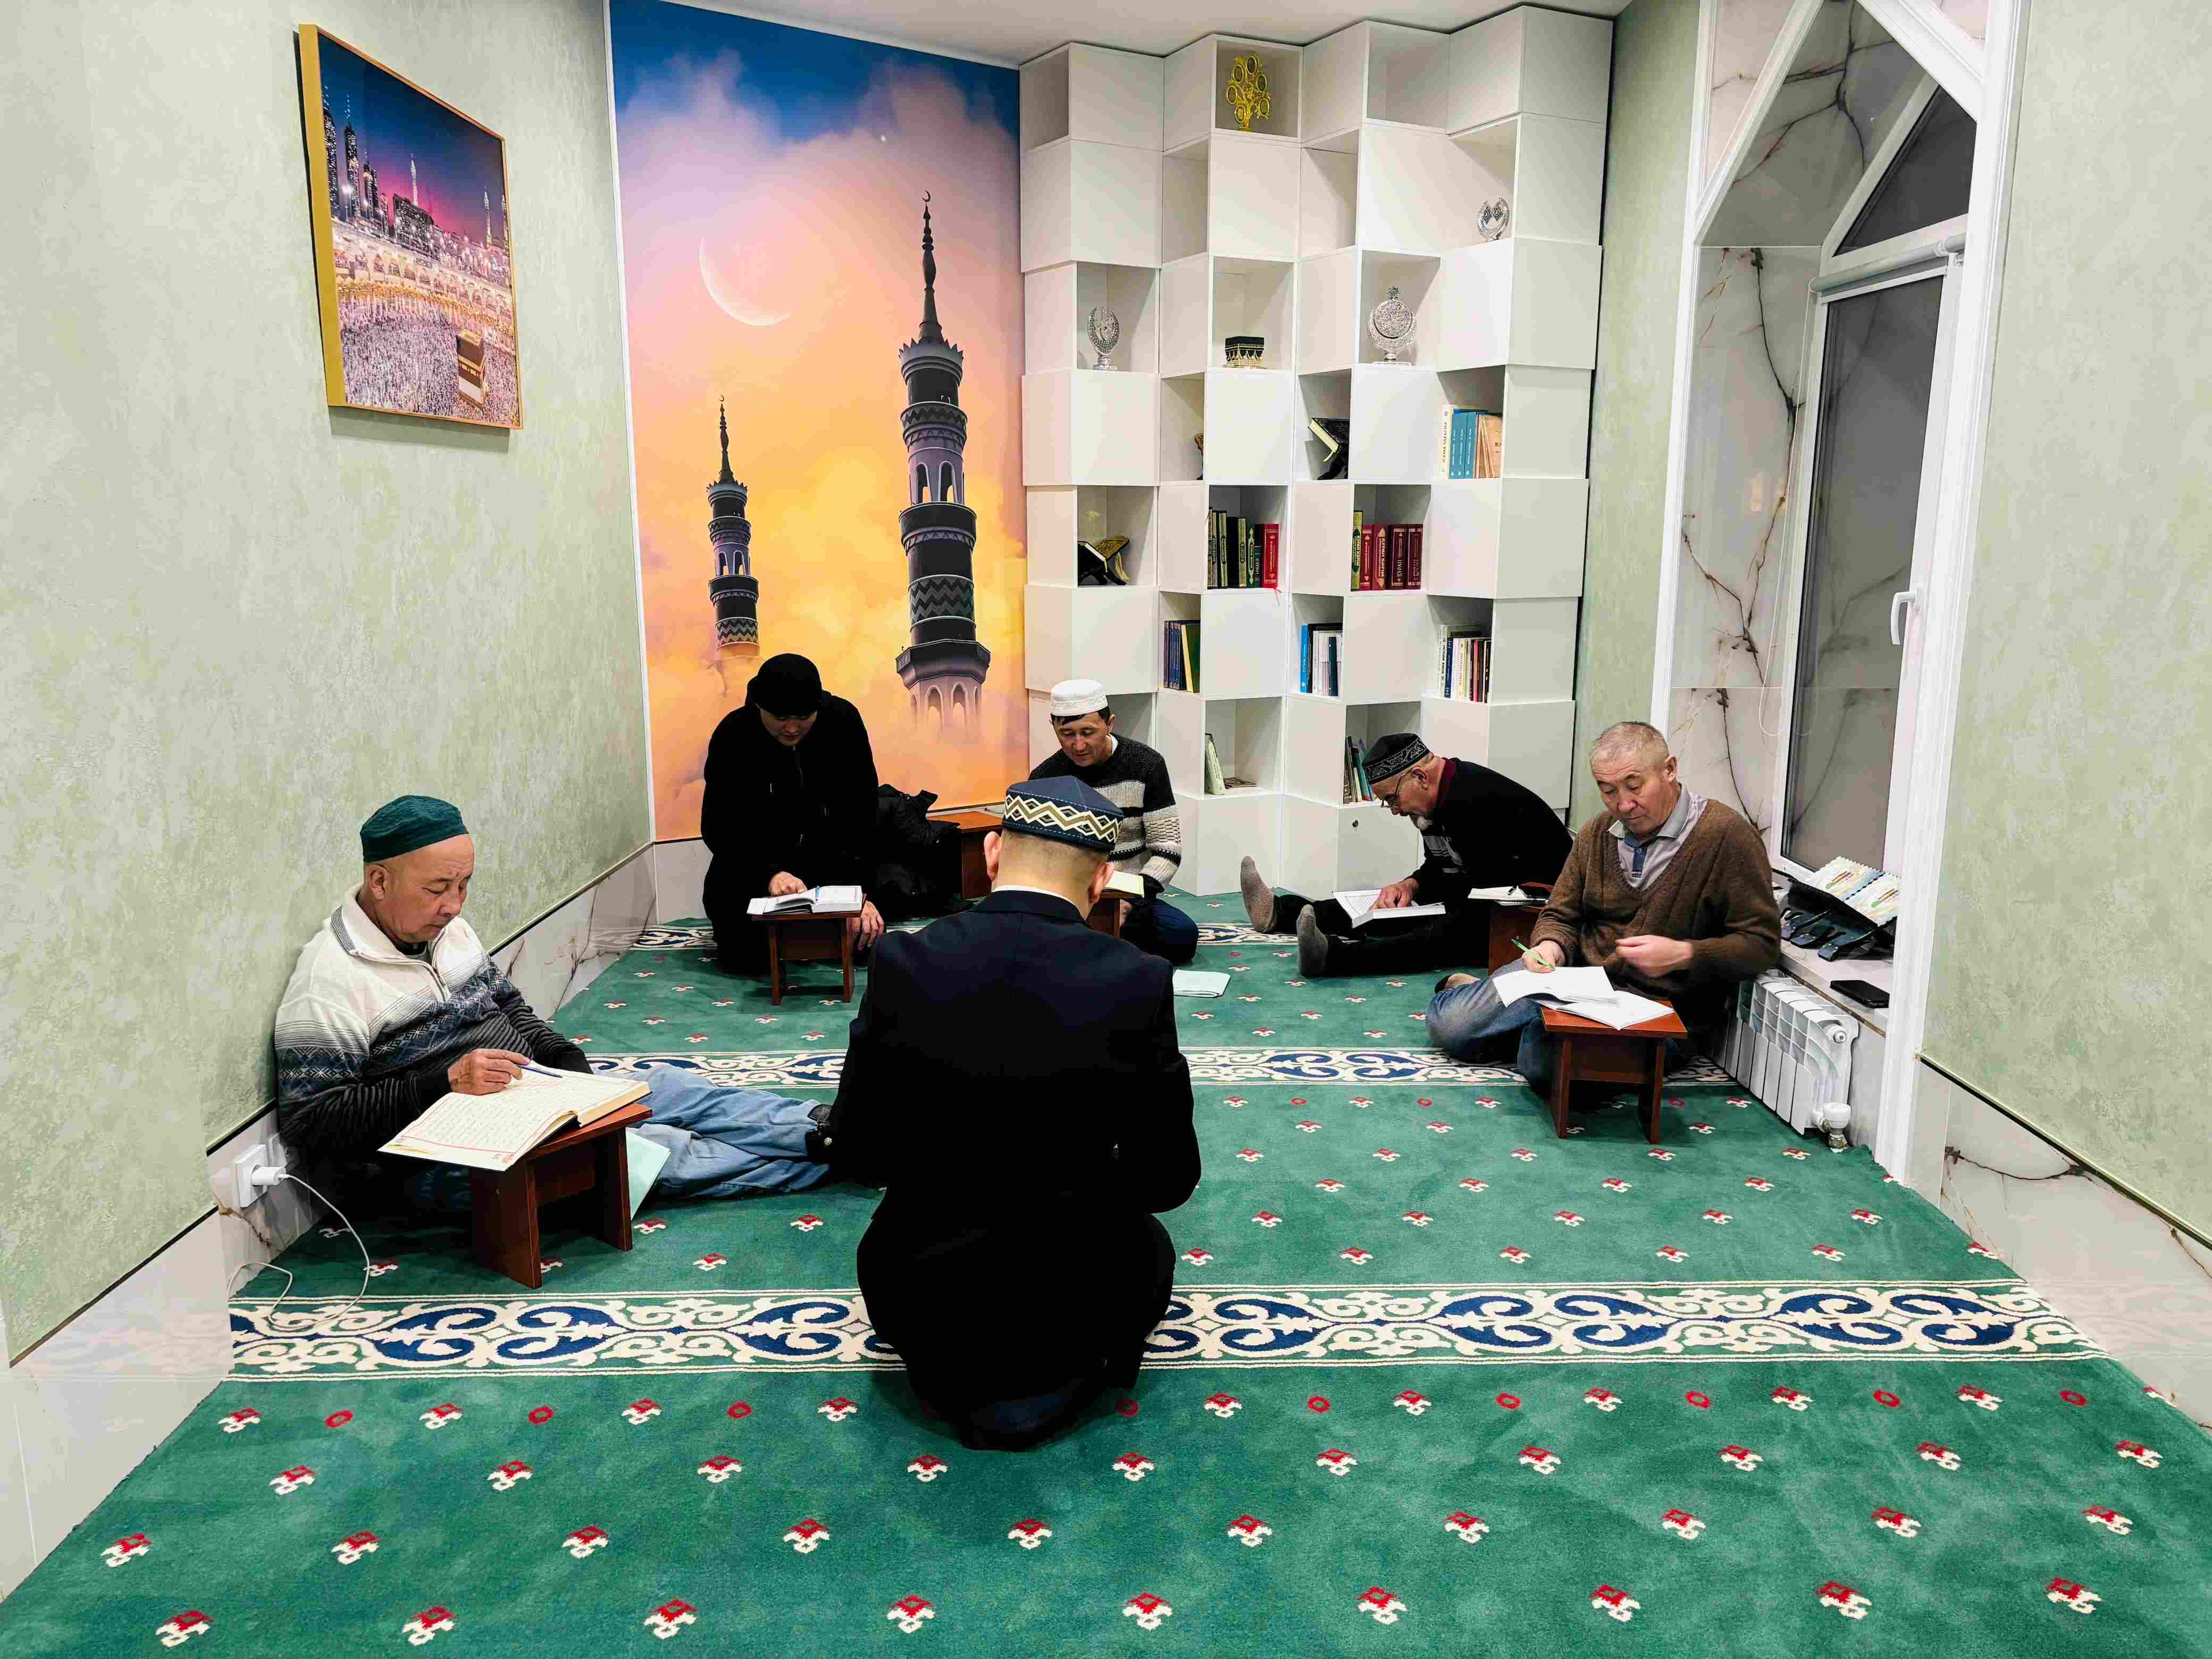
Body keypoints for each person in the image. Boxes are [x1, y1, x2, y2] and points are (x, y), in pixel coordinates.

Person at [820, 776, 1199, 1451]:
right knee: (1145, 1246)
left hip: (924, 1297)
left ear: (993, 852)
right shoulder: (1137, 978)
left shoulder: (904, 961)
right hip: (1081, 1308)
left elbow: (859, 1151)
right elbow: (1166, 1179)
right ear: (1102, 879)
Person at [274, 795, 832, 1209]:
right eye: (438, 889)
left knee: (671, 1088)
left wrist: (565, 1063)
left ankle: (831, 1127)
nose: (455, 905)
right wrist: (440, 1083)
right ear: (378, 881)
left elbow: (511, 1008)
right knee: (659, 1152)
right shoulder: (329, 982)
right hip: (443, 1153)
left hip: (528, 1095)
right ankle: (834, 1158)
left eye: (464, 885)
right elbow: (311, 1122)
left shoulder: (447, 931)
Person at [1425, 721, 1781, 1086]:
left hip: (1662, 1009)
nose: (1623, 805)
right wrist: (1550, 947)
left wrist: (1684, 954)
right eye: (1608, 791)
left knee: (1545, 1063)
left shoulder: (1727, 836)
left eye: (1635, 786)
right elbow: (1560, 914)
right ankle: (1506, 1011)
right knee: (1451, 1026)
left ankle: (1518, 1021)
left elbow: (1762, 944)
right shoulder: (1597, 833)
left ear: (1670, 769)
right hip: (1575, 984)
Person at [1239, 733, 1572, 978]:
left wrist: (1416, 907)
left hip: (1531, 910)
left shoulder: (1475, 799)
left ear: (1420, 777)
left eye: (1392, 799)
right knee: (1386, 907)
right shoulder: (1433, 801)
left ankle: (1332, 958)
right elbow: (1444, 868)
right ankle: (1280, 913)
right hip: (1484, 890)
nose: (1395, 810)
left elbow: (1477, 890)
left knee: (1433, 932)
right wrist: (1410, 885)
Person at [700, 653, 885, 975]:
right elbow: (718, 827)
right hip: (753, 873)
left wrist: (861, 896)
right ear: (760, 707)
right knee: (745, 958)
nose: (792, 728)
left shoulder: (844, 723)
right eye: (780, 717)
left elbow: (864, 818)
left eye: (803, 717)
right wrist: (769, 875)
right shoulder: (733, 734)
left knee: (866, 943)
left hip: (832, 874)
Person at [1026, 678, 1197, 965]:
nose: (1078, 745)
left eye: (1088, 733)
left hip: (1130, 894)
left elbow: (1168, 850)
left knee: (1181, 935)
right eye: (1067, 734)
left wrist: (1130, 900)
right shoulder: (1045, 778)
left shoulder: (1146, 765)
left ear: (1110, 724)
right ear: (1054, 727)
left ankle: (1089, 945)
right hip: (1069, 897)